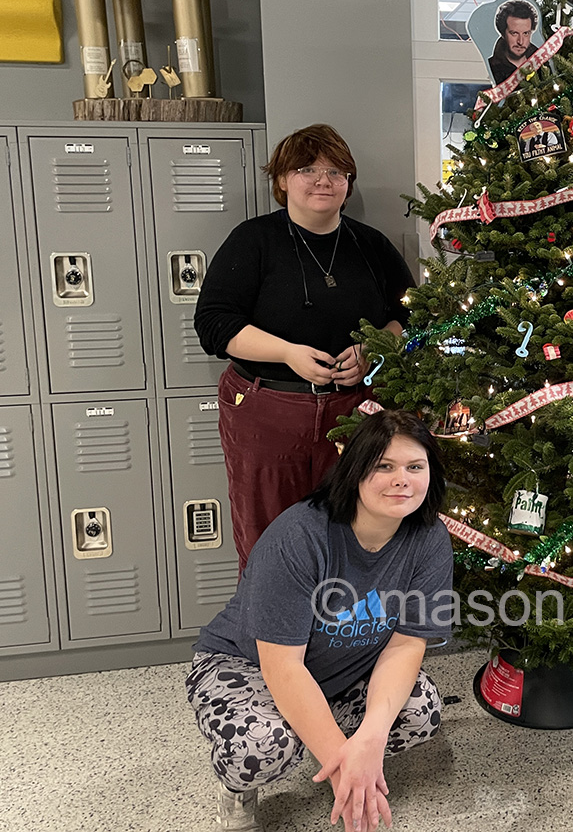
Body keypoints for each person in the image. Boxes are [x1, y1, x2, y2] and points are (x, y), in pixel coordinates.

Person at [186, 409, 453, 832]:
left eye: (414, 466)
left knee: (420, 711)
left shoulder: (429, 538)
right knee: (263, 745)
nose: (402, 479)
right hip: (246, 664)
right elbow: (282, 666)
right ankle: (238, 789)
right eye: (384, 466)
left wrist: (370, 739)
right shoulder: (301, 535)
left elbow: (405, 644)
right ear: (354, 471)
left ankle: (331, 736)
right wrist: (344, 772)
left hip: (345, 667)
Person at [194, 124, 416, 571]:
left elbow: (411, 315)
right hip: (268, 408)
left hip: (357, 408)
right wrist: (287, 352)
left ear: (349, 183)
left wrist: (375, 349)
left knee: (359, 531)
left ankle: (349, 636)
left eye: (336, 171)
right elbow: (214, 325)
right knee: (269, 535)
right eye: (306, 169)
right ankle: (275, 636)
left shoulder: (371, 245)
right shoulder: (253, 240)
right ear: (281, 180)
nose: (323, 180)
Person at [487, 0, 538, 84]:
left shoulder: (543, 63)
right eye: (514, 33)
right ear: (503, 33)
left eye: (526, 33)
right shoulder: (491, 68)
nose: (520, 41)